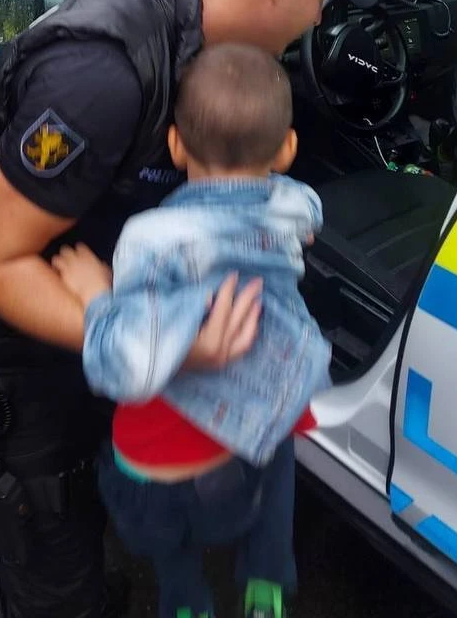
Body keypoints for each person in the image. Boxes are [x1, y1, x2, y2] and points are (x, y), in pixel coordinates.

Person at [0, 0, 378, 618]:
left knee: (87, 505)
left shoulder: (200, 13)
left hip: (80, 306)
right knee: (49, 559)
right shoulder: (103, 73)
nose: (323, 16)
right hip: (1, 350)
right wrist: (166, 345)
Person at [52, 43, 330, 618]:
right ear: (288, 148)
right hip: (245, 470)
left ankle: (186, 602)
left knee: (137, 491)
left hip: (165, 482)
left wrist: (93, 291)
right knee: (279, 451)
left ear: (176, 146)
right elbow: (309, 215)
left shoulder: (147, 237)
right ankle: (266, 584)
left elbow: (121, 364)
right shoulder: (297, 205)